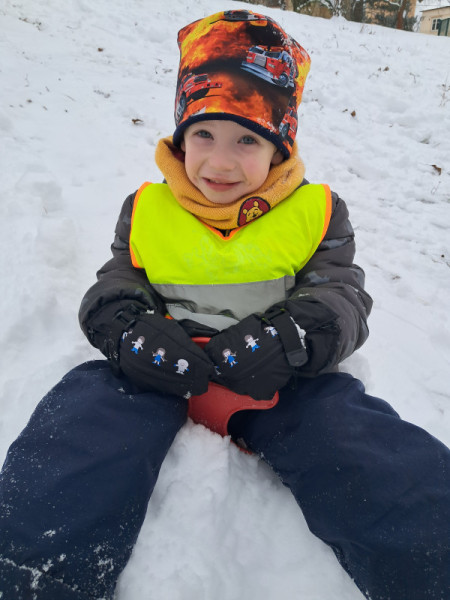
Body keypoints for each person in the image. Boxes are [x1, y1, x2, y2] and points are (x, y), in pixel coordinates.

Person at [0, 9, 449, 600]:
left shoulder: (315, 212)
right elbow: (115, 285)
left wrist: (290, 338)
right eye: (203, 135)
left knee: (370, 455)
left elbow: (341, 294)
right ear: (181, 136)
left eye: (247, 140)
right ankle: (30, 578)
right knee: (79, 433)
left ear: (280, 146)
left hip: (281, 379)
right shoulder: (147, 210)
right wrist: (130, 331)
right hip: (156, 371)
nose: (219, 162)